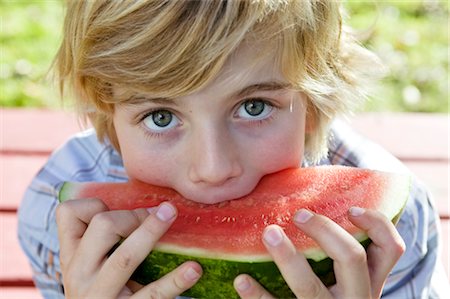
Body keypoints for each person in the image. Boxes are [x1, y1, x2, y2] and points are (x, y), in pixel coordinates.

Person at [18, 1, 448, 298]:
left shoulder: (383, 235)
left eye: (254, 106)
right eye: (161, 117)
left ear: (314, 106)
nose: (213, 168)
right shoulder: (59, 220)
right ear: (107, 112)